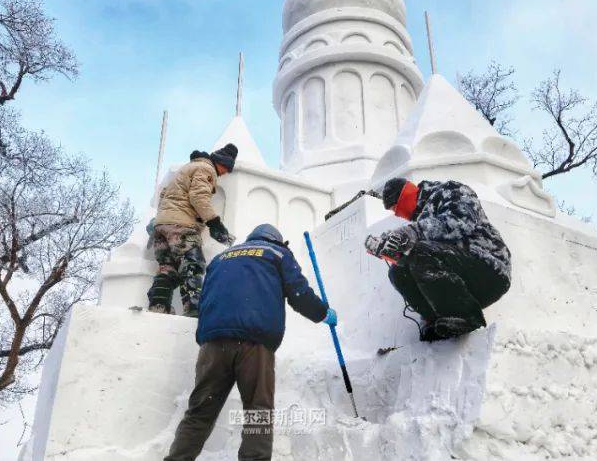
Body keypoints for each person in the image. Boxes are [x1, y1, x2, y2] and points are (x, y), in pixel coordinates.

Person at [165, 224, 337, 461]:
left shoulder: (221, 258)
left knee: (199, 412)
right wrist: (322, 313)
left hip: (213, 344)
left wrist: (205, 338)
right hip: (253, 343)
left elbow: (204, 298)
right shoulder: (278, 254)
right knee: (258, 413)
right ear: (277, 241)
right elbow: (300, 294)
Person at [365, 177, 511, 342]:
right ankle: (437, 320)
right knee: (398, 272)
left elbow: (459, 223)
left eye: (395, 207)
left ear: (405, 195)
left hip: (489, 268)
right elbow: (424, 252)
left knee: (421, 252)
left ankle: (464, 316)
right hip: (461, 276)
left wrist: (413, 232)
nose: (398, 214)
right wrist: (392, 251)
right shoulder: (422, 219)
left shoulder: (451, 190)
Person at [147, 143, 239, 317]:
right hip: (181, 226)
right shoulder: (206, 169)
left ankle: (158, 307)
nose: (226, 172)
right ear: (220, 161)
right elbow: (198, 197)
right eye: (227, 168)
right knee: (192, 265)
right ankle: (194, 310)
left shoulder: (187, 168)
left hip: (161, 225)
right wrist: (214, 222)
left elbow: (163, 195)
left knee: (168, 268)